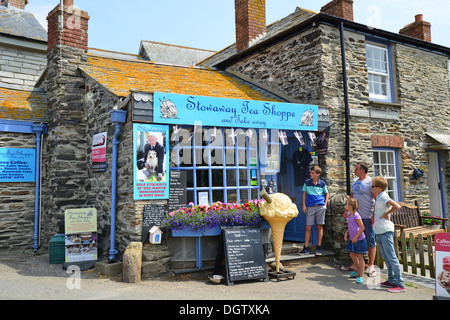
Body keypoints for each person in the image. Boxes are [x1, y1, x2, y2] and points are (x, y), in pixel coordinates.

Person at [371, 175, 405, 293]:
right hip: (380, 230)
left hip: (385, 230)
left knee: (391, 257)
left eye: (373, 186)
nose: (372, 188)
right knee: (386, 257)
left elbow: (397, 206)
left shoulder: (384, 196)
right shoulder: (379, 197)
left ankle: (400, 284)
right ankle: (391, 280)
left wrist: (387, 213)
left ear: (379, 188)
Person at [348, 162, 376, 277]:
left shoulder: (370, 182)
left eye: (356, 169)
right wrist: (348, 211)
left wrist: (374, 215)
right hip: (355, 217)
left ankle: (371, 266)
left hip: (367, 216)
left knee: (370, 241)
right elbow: (351, 197)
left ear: (363, 171)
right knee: (356, 240)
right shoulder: (354, 181)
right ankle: (357, 264)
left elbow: (376, 198)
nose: (354, 170)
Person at [299, 165, 329, 256]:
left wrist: (325, 204)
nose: (310, 174)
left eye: (313, 173)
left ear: (318, 174)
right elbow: (304, 194)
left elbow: (327, 193)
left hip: (320, 207)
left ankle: (319, 248)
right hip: (310, 207)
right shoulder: (307, 182)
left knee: (319, 227)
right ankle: (306, 248)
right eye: (310, 172)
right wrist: (304, 205)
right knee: (308, 227)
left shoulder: (322, 183)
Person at [344, 198, 368, 284]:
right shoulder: (348, 214)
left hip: (359, 239)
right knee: (352, 254)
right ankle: (358, 271)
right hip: (352, 238)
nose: (345, 206)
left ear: (350, 206)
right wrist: (347, 233)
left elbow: (362, 227)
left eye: (346, 204)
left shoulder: (356, 215)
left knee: (360, 256)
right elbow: (351, 226)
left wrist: (356, 237)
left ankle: (361, 276)